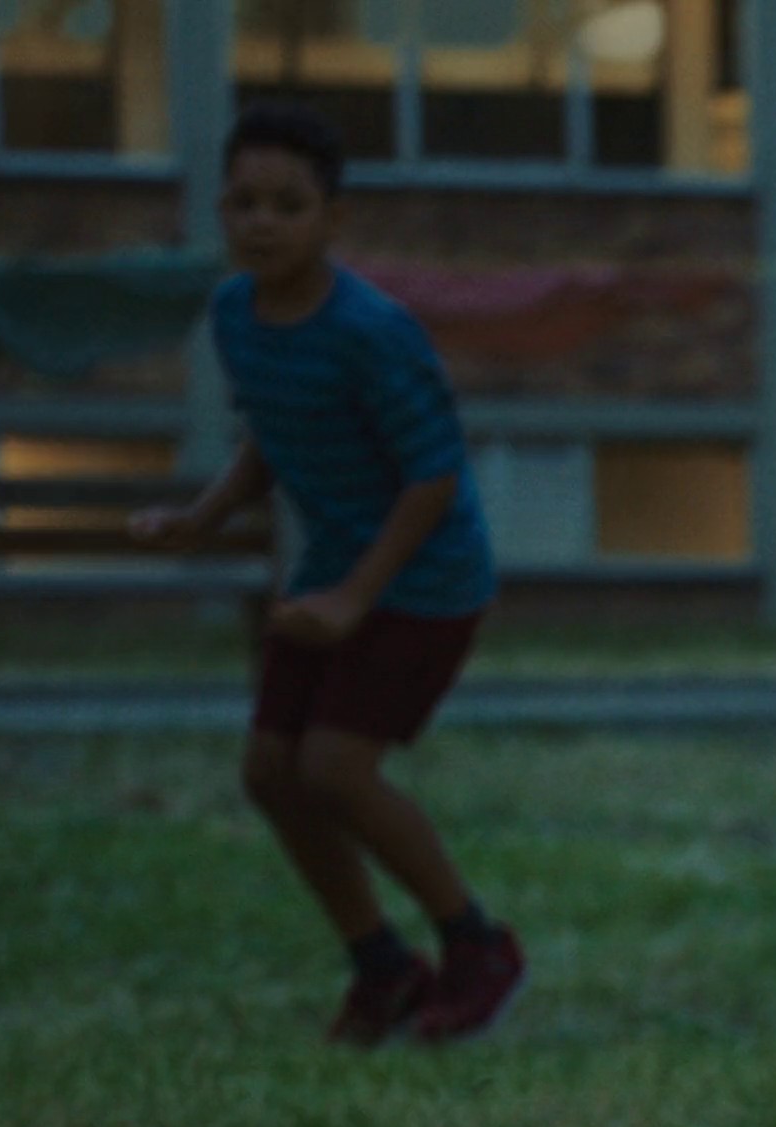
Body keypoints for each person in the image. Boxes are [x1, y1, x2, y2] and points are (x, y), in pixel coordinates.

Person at [134, 101, 523, 1048]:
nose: (261, 222)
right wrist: (204, 515)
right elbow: (270, 427)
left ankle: (476, 946)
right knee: (271, 772)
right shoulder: (235, 311)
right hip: (333, 570)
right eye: (242, 203)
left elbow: (434, 474)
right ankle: (383, 967)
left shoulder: (371, 330)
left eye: (288, 205)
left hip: (424, 580)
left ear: (332, 220)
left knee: (334, 767)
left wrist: (357, 597)